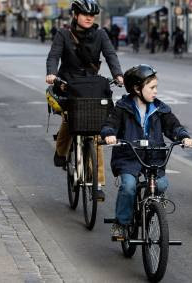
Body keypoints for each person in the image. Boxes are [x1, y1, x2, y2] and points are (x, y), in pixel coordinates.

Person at [100, 64, 192, 239]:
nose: (155, 91)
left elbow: (174, 126)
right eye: (151, 88)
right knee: (128, 187)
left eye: (156, 87)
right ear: (137, 89)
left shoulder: (160, 108)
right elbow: (109, 125)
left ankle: (153, 206)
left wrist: (183, 137)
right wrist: (109, 135)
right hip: (129, 157)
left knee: (162, 184)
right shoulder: (122, 107)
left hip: (153, 156)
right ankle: (121, 223)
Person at [46, 0, 124, 201]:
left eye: (92, 15)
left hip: (91, 84)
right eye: (84, 14)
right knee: (70, 119)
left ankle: (97, 183)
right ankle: (62, 151)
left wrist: (118, 75)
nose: (89, 18)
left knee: (96, 130)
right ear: (75, 14)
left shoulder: (100, 34)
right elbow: (53, 56)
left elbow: (110, 55)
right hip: (68, 82)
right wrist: (51, 74)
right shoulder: (63, 34)